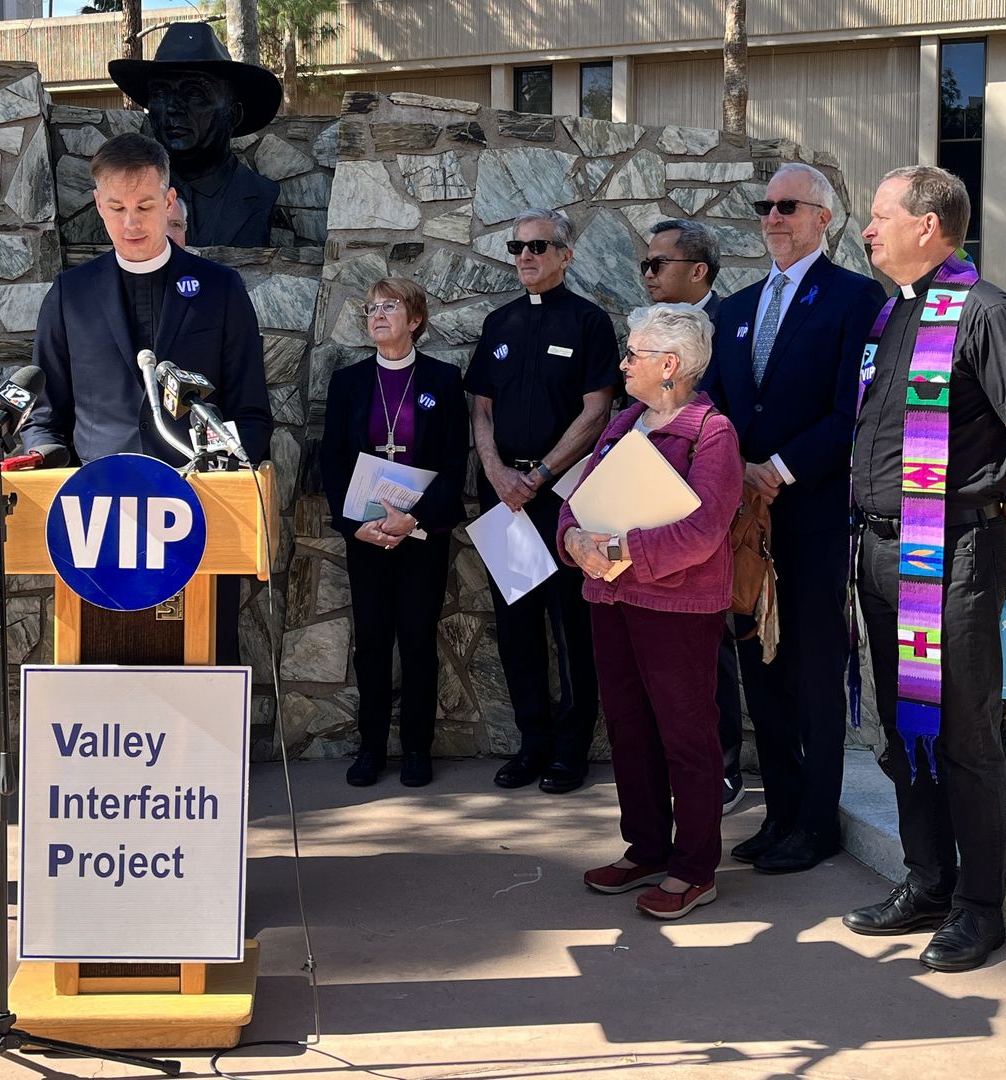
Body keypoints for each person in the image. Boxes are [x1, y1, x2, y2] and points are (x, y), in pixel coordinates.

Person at [842, 165, 1006, 972]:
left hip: (954, 554)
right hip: (881, 551)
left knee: (965, 736)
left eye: (880, 216)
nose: (868, 230)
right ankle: (929, 881)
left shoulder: (986, 313)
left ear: (927, 225)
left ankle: (978, 907)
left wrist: (1001, 536)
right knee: (907, 730)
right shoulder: (894, 313)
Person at [702, 164, 887, 875]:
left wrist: (777, 469)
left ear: (823, 219)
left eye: (788, 206)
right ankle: (779, 812)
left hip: (810, 515)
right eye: (765, 206)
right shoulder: (735, 308)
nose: (773, 217)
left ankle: (816, 823)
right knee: (760, 668)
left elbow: (854, 410)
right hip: (746, 524)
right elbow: (715, 407)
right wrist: (737, 471)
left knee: (812, 671)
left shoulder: (854, 298)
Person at [557, 304, 743, 921]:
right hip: (610, 600)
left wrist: (619, 550)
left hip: (677, 608)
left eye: (633, 354)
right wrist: (572, 538)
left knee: (686, 735)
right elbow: (578, 499)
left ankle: (694, 868)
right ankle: (646, 848)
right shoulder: (622, 423)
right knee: (628, 727)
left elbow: (705, 530)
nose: (623, 364)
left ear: (670, 365)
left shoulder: (712, 432)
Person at [466, 207, 619, 795]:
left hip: (564, 496)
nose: (525, 256)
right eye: (517, 247)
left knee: (571, 624)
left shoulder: (588, 322)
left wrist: (542, 473)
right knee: (517, 624)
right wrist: (496, 471)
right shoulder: (499, 322)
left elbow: (597, 410)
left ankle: (571, 749)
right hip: (504, 496)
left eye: (537, 247)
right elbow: (481, 409)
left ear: (565, 256)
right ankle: (532, 742)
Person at [21, 132, 272, 468]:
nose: (131, 223)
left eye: (144, 206)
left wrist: (224, 470)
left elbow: (250, 411)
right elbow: (44, 417)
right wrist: (43, 460)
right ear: (98, 204)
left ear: (168, 202)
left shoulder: (221, 288)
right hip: (98, 489)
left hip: (199, 484)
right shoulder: (70, 295)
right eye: (117, 208)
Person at [318, 278, 469, 788]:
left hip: (421, 536)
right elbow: (332, 460)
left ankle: (417, 749)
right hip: (366, 535)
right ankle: (371, 748)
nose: (378, 315)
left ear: (415, 318)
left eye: (390, 306)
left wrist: (414, 519)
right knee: (372, 643)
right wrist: (353, 526)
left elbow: (454, 462)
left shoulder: (443, 380)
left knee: (418, 641)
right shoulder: (349, 382)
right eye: (371, 309)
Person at [641, 218, 748, 816]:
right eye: (646, 265)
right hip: (649, 509)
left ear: (699, 270)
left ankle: (723, 769)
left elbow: (740, 411)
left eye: (659, 264)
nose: (648, 274)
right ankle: (669, 766)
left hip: (712, 506)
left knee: (714, 646)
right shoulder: (649, 328)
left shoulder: (734, 325)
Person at [109, 22, 282, 248]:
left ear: (233, 115)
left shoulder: (260, 194)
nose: (173, 108)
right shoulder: (129, 196)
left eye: (194, 94)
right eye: (160, 93)